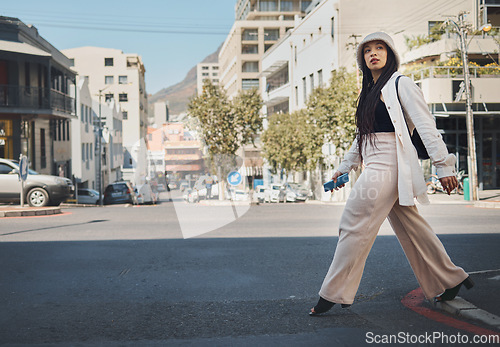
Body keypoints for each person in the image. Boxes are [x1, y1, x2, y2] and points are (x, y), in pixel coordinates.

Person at [309, 32, 473, 316]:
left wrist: (443, 166)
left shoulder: (401, 83)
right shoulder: (367, 92)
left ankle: (333, 293)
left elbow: (425, 124)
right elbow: (361, 138)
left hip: (388, 163)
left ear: (390, 53)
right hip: (373, 162)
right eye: (367, 50)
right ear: (362, 59)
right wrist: (342, 169)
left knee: (353, 223)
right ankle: (451, 279)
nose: (373, 53)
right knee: (413, 230)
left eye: (380, 48)